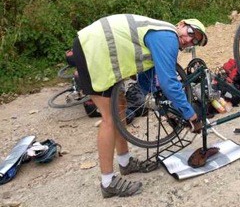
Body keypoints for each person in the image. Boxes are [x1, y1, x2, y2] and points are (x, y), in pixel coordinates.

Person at [71, 14, 208, 198]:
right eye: (191, 32)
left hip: (100, 48)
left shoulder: (163, 34)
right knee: (109, 118)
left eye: (194, 41)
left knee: (120, 106)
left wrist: (153, 94)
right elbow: (168, 83)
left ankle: (125, 162)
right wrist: (190, 115)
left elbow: (146, 78)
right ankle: (108, 182)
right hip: (94, 49)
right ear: (181, 24)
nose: (189, 40)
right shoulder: (168, 37)